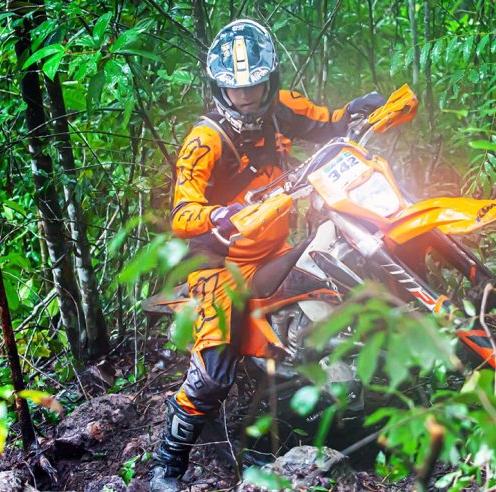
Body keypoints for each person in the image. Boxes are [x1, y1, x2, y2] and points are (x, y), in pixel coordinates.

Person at [150, 18, 385, 490]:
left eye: (256, 86)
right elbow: (182, 209)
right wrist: (217, 216)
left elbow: (327, 123)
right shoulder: (205, 140)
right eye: (237, 90)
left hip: (274, 249)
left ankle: (330, 429)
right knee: (214, 372)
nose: (248, 97)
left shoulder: (280, 108)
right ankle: (166, 465)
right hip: (218, 265)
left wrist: (357, 112)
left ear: (269, 80)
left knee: (339, 270)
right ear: (220, 88)